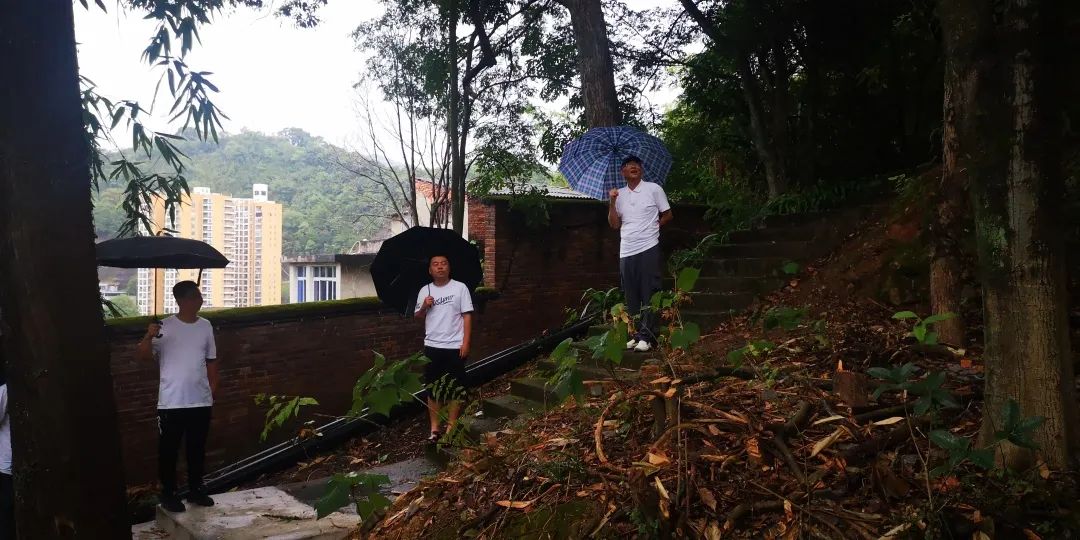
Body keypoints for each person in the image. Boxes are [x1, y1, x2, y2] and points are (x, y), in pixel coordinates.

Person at [136, 281, 219, 513]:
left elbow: (211, 360)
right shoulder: (164, 327)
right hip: (171, 401)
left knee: (197, 448)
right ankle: (169, 493)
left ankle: (196, 489)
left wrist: (213, 388)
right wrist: (148, 336)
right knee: (169, 450)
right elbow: (143, 356)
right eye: (195, 296)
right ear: (182, 300)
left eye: (199, 295)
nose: (200, 300)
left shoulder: (205, 326)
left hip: (200, 400)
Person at [608, 155, 673, 352]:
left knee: (649, 291)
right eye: (629, 165)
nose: (634, 167)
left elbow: (668, 214)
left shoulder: (654, 189)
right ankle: (637, 335)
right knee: (631, 294)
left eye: (637, 164)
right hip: (626, 250)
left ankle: (648, 336)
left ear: (641, 169)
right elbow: (614, 225)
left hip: (648, 247)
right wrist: (611, 201)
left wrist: (656, 226)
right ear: (623, 172)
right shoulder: (618, 194)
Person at [414, 255, 474, 442]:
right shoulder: (425, 290)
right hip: (432, 345)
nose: (440, 267)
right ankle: (434, 429)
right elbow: (418, 316)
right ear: (430, 270)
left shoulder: (460, 288)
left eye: (443, 264)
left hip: (455, 345)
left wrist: (466, 343)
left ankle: (451, 426)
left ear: (449, 267)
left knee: (455, 388)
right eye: (435, 264)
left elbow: (467, 316)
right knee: (433, 388)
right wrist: (424, 306)